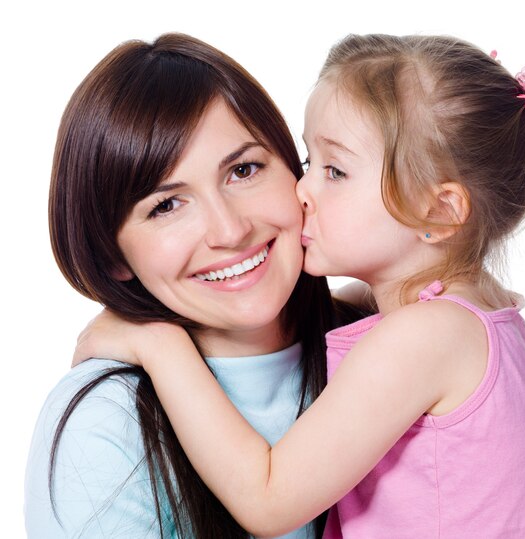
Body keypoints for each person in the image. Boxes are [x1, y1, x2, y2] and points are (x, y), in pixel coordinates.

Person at [74, 34, 525, 538]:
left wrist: (159, 344)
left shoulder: (423, 339)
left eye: (335, 172)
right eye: (308, 162)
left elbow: (268, 498)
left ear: (438, 212)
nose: (300, 190)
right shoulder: (471, 306)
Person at [23, 32, 367, 538]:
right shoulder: (105, 424)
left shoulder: (387, 349)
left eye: (244, 170)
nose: (230, 231)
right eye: (166, 206)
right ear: (113, 255)